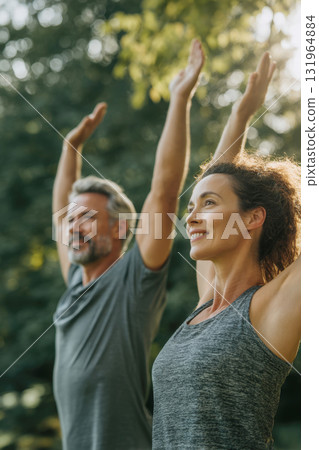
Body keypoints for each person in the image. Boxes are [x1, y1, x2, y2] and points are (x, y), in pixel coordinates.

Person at [52, 40, 205, 450]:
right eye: (71, 220)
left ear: (121, 230)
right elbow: (61, 201)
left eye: (87, 218)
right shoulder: (73, 282)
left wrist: (180, 100)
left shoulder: (134, 280)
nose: (74, 227)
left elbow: (164, 191)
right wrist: (72, 146)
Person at [152, 53, 301, 449]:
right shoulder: (207, 303)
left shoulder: (270, 308)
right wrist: (240, 115)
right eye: (190, 208)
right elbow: (217, 180)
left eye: (209, 206)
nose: (192, 217)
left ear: (253, 219)